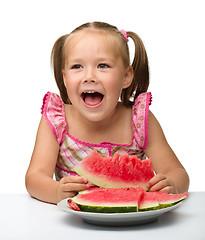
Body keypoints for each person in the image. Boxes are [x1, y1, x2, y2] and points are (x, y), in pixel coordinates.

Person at [25, 22, 189, 204]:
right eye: (77, 67)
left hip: (134, 223)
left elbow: (177, 172)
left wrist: (172, 183)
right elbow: (34, 178)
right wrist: (56, 191)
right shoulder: (57, 120)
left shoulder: (139, 121)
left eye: (103, 66)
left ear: (126, 76)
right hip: (72, 227)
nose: (89, 76)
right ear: (64, 78)